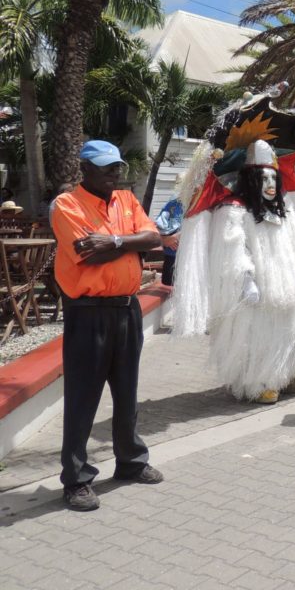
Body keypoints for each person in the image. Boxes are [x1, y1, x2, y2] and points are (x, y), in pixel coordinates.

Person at [51, 140, 164, 511]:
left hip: (126, 309)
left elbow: (154, 238)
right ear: (85, 169)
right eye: (106, 167)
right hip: (88, 313)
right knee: (83, 397)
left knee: (127, 392)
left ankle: (131, 462)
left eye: (116, 166)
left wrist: (114, 240)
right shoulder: (67, 205)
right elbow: (86, 252)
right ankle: (76, 479)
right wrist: (131, 245)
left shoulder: (127, 201)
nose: (115, 173)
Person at [174, 139, 295, 405]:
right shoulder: (233, 209)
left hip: (289, 284)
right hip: (258, 290)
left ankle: (292, 374)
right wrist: (246, 280)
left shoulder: (283, 209)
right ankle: (258, 381)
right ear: (250, 179)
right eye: (263, 179)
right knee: (257, 336)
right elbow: (232, 249)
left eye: (273, 179)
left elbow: (294, 244)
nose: (270, 186)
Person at [154, 190, 183, 286]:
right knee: (168, 288)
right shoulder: (174, 202)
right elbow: (159, 223)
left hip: (194, 258)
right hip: (172, 256)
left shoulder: (208, 200)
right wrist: (164, 239)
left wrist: (179, 235)